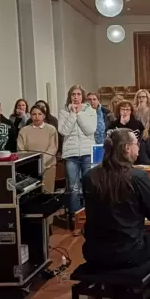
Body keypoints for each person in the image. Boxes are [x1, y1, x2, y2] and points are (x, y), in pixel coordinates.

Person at [82, 128, 150, 298]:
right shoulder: (137, 176)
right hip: (127, 252)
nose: (139, 147)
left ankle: (115, 287)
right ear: (127, 148)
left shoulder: (90, 176)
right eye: (136, 143)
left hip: (93, 252)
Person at [58, 85, 97, 232]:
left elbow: (90, 130)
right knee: (73, 188)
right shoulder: (64, 112)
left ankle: (89, 218)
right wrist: (72, 115)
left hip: (87, 152)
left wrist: (79, 114)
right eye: (73, 94)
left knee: (88, 186)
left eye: (78, 94)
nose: (76, 97)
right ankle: (76, 220)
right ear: (70, 96)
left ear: (83, 96)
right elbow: (63, 130)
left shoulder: (90, 111)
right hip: (71, 154)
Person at [18, 104, 59, 193]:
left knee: (47, 193)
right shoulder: (24, 131)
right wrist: (32, 163)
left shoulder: (51, 129)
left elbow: (53, 148)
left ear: (44, 116)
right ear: (30, 115)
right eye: (34, 114)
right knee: (31, 195)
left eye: (39, 114)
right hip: (29, 168)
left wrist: (41, 161)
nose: (37, 117)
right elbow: (21, 149)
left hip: (48, 167)